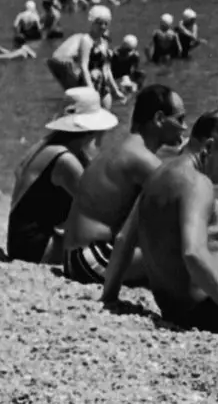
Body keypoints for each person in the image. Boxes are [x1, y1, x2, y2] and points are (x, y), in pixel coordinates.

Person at [102, 110, 218, 336]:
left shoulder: (158, 175)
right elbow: (193, 253)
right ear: (208, 147)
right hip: (211, 309)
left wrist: (108, 296)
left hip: (180, 306)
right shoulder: (197, 184)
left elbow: (123, 240)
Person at [62, 84, 188, 285]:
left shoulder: (123, 147)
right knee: (187, 257)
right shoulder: (141, 159)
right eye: (180, 119)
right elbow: (187, 200)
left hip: (74, 256)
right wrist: (190, 159)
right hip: (92, 258)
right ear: (159, 119)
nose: (185, 127)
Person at [6, 88, 117, 263]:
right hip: (34, 248)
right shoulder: (65, 160)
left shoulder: (46, 145)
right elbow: (97, 205)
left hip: (20, 242)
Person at [48, 5, 120, 103]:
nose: (103, 26)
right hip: (74, 68)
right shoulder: (86, 40)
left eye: (105, 23)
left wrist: (115, 89)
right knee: (91, 79)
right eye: (99, 23)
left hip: (100, 83)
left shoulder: (104, 43)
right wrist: (90, 90)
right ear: (92, 23)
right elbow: (84, 66)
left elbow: (106, 69)